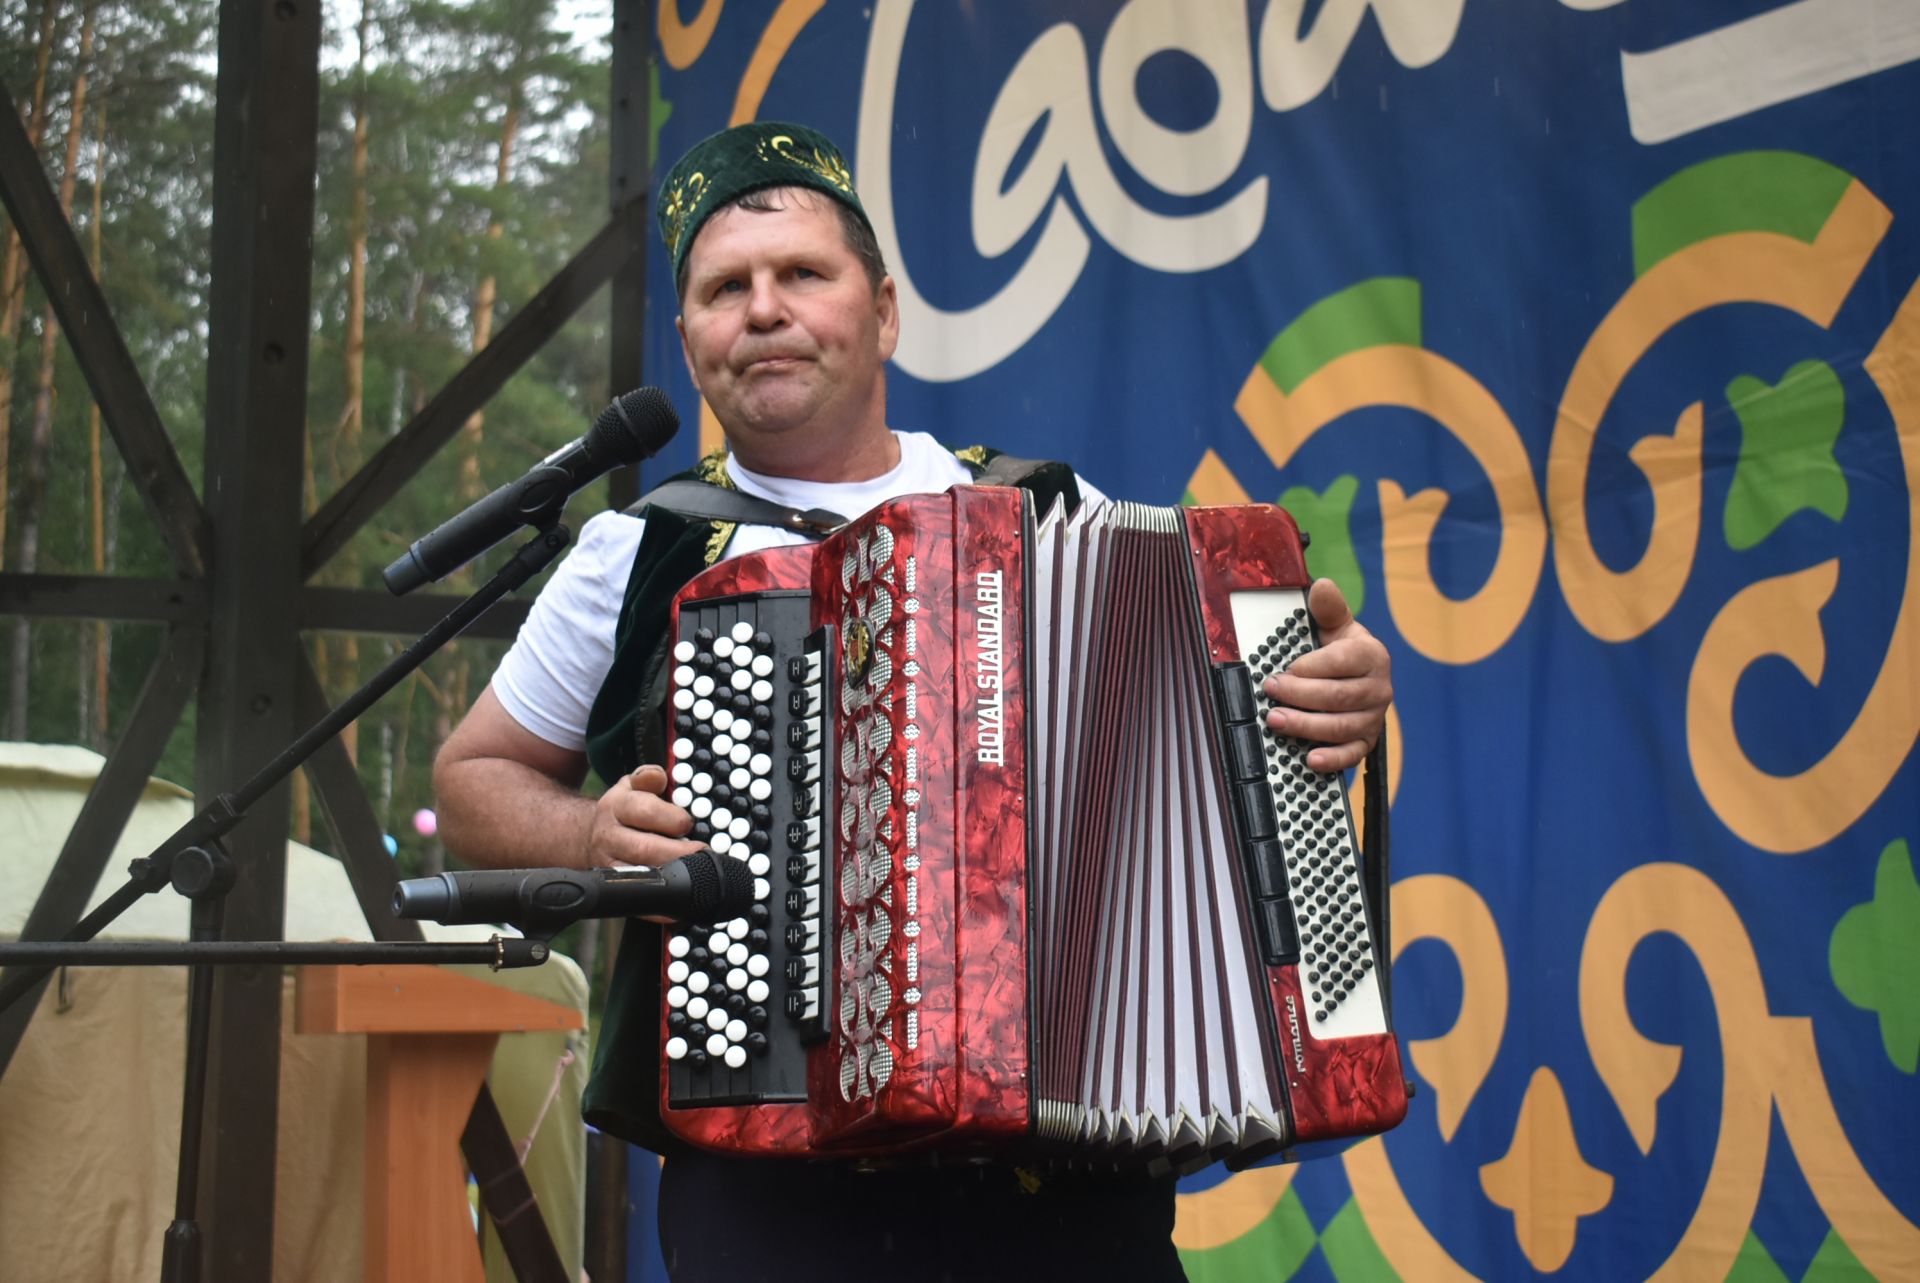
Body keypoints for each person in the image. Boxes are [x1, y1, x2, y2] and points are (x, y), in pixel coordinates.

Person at [434, 121, 1393, 1282]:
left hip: (1065, 1176)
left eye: (803, 274)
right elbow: (473, 779)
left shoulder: (1048, 510)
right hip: (773, 1180)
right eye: (725, 287)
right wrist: (588, 834)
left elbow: (1222, 746)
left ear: (882, 310)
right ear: (688, 342)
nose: (765, 308)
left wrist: (1329, 697)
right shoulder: (634, 551)